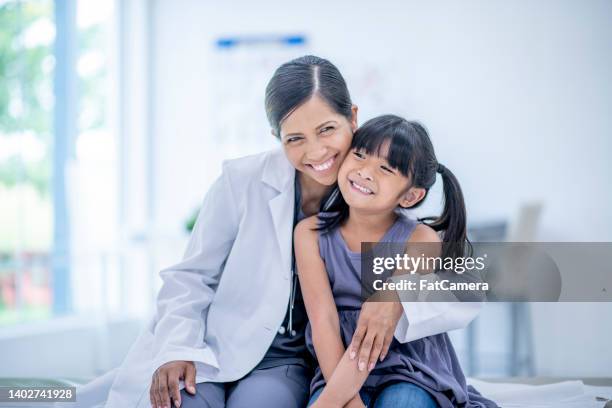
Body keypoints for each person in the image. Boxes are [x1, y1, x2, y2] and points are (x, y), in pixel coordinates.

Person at [59, 56, 482, 408]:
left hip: (296, 363)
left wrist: (398, 297)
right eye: (293, 138)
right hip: (219, 346)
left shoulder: (373, 190)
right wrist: (177, 348)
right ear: (276, 137)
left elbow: (480, 279)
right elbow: (190, 278)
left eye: (328, 130)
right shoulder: (242, 181)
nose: (315, 152)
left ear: (352, 117)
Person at [294, 115, 497, 408]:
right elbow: (323, 322)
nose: (364, 172)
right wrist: (345, 401)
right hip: (337, 367)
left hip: (411, 369)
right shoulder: (310, 234)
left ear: (411, 195)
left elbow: (378, 328)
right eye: (360, 155)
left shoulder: (420, 239)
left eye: (386, 168)